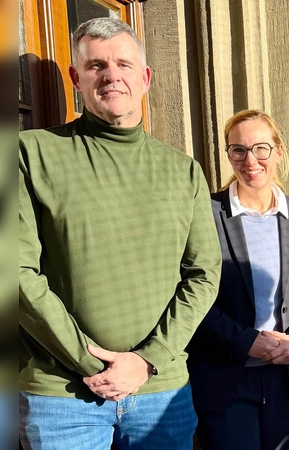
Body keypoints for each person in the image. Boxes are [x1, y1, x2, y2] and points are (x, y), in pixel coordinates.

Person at [18, 18, 221, 449]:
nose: (112, 75)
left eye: (124, 64)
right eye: (97, 65)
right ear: (77, 78)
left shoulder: (183, 170)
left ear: (145, 78)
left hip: (160, 391)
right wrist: (89, 361)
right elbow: (15, 273)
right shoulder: (31, 153)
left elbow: (203, 274)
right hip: (62, 396)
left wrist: (146, 361)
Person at [187, 110, 289, 449]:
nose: (251, 160)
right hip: (226, 376)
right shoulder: (205, 214)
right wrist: (244, 340)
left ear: (278, 151)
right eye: (238, 150)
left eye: (261, 148)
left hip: (286, 374)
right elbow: (192, 294)